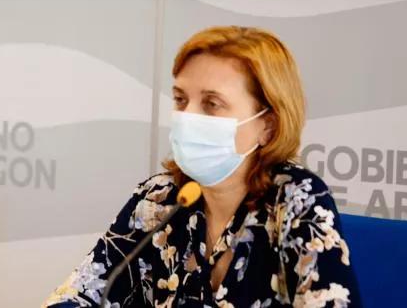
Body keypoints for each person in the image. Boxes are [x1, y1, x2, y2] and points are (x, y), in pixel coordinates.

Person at [43, 26, 360, 308]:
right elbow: (84, 291)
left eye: (212, 104)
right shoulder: (157, 198)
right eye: (181, 100)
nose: (188, 117)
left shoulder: (296, 201)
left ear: (268, 125)